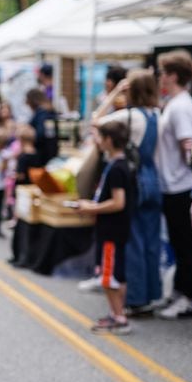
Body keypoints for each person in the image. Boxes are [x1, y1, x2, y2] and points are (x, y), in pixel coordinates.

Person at [94, 70, 162, 315]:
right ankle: (153, 293)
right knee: (152, 241)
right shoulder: (157, 115)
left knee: (133, 240)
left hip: (135, 179)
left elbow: (96, 120)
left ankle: (136, 297)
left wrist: (114, 94)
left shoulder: (129, 115)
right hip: (154, 178)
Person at [154, 50, 192, 319]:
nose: (160, 77)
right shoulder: (176, 103)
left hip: (180, 186)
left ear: (173, 75)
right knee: (178, 240)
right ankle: (181, 292)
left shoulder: (182, 106)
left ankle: (190, 297)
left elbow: (190, 147)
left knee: (184, 244)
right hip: (173, 185)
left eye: (163, 72)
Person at [76, 121, 136, 335]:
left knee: (108, 276)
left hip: (111, 230)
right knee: (115, 274)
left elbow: (118, 202)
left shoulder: (118, 168)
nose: (97, 142)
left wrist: (93, 209)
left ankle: (119, 317)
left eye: (100, 137)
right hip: (112, 229)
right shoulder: (117, 164)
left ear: (109, 140)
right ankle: (116, 313)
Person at [26, 87, 58, 166]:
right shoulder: (49, 112)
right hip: (51, 152)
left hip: (42, 155)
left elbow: (41, 134)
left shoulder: (42, 114)